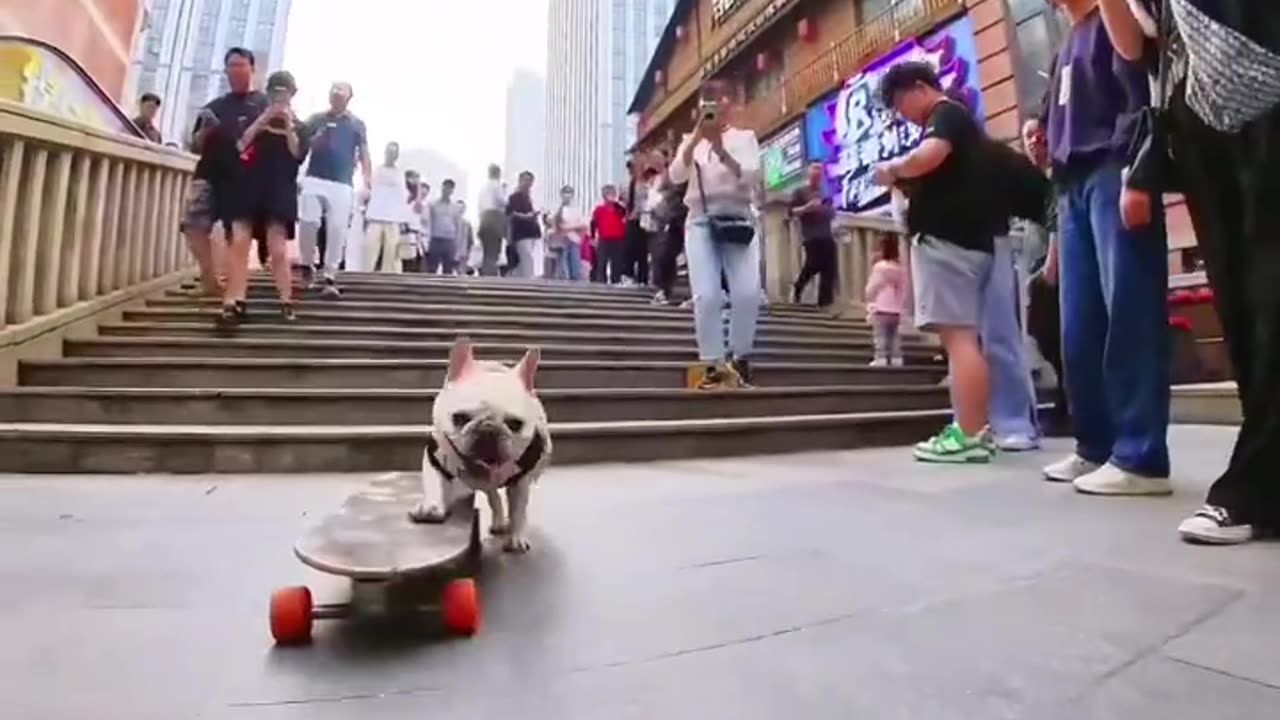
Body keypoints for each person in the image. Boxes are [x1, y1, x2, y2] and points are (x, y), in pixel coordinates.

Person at [1097, 0, 1280, 542]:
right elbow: (1136, 47)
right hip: (1200, 122)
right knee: (1242, 309)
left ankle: (1251, 487)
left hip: (1264, 82)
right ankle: (1266, 486)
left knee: (1271, 293)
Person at [1038, 0, 1171, 494]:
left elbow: (1141, 88)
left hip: (1113, 168)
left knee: (1130, 311)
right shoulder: (1067, 43)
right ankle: (1094, 445)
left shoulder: (1116, 15)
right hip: (1070, 185)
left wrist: (1138, 174)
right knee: (1079, 326)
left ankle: (1141, 454)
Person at [872, 61, 997, 463]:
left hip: (949, 242)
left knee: (958, 339)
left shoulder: (946, 115)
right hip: (967, 240)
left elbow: (930, 155)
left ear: (918, 88)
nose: (900, 114)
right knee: (963, 338)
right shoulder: (956, 120)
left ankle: (970, 433)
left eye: (898, 102)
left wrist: (893, 170)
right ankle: (973, 427)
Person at [667, 79, 762, 389]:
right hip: (701, 221)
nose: (718, 106)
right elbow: (675, 175)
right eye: (711, 101)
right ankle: (713, 362)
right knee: (706, 296)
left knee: (747, 293)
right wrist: (696, 139)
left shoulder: (745, 138)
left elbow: (751, 175)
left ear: (732, 105)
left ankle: (740, 356)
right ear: (701, 108)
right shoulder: (690, 141)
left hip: (739, 218)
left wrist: (721, 151)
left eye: (723, 99)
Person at [218, 68, 309, 323]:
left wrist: (288, 124)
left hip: (279, 188)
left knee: (278, 248)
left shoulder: (300, 126)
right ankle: (233, 301)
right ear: (268, 93)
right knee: (239, 243)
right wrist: (264, 119)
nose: (280, 97)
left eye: (285, 92)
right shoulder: (252, 117)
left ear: (292, 95)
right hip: (248, 184)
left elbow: (297, 154)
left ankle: (286, 300)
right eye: (276, 92)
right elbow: (240, 144)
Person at [297, 82, 371, 297]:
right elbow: (300, 144)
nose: (337, 93)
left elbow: (365, 153)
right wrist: (313, 142)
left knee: (337, 228)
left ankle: (330, 274)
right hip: (314, 178)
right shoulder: (316, 119)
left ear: (349, 96)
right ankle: (306, 265)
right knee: (308, 221)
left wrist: (367, 181)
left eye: (342, 90)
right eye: (334, 89)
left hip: (342, 183)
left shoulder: (356, 124)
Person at [789, 162, 838, 308]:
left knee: (829, 268)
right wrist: (807, 208)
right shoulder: (800, 191)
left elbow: (832, 212)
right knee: (812, 264)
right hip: (811, 235)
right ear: (808, 174)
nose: (817, 177)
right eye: (814, 174)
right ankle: (798, 286)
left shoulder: (825, 192)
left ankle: (825, 302)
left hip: (826, 233)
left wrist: (827, 210)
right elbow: (791, 212)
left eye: (820, 175)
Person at [363, 141, 406, 273]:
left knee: (392, 252)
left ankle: (390, 277)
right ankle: (365, 274)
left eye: (394, 153)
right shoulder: (376, 170)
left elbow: (401, 197)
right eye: (389, 152)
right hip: (375, 215)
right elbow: (367, 190)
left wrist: (403, 219)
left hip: (393, 218)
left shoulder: (399, 173)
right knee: (370, 249)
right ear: (385, 153)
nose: (391, 155)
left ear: (397, 155)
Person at [864, 235, 906, 367]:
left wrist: (868, 296)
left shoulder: (880, 267)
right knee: (894, 335)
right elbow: (903, 289)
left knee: (880, 335)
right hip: (895, 309)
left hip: (881, 307)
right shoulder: (900, 269)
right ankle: (896, 357)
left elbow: (873, 286)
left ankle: (881, 357)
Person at [621, 159, 654, 286]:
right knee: (629, 248)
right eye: (629, 169)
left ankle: (642, 278)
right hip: (631, 220)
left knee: (642, 250)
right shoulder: (625, 185)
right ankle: (628, 275)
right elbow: (623, 201)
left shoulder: (647, 184)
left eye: (633, 168)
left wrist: (638, 211)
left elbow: (649, 201)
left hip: (644, 219)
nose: (631, 171)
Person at [505, 171, 541, 279]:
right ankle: (528, 280)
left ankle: (520, 280)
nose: (528, 183)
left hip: (532, 232)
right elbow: (511, 214)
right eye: (525, 180)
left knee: (525, 258)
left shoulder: (530, 198)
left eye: (530, 181)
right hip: (521, 233)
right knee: (526, 256)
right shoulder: (514, 197)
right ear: (520, 181)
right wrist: (527, 216)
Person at [590, 184, 628, 284]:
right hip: (604, 238)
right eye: (608, 194)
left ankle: (616, 280)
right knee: (602, 261)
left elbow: (624, 214)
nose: (610, 196)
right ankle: (601, 281)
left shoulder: (618, 208)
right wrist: (593, 237)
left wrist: (618, 204)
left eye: (612, 193)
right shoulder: (599, 209)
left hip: (618, 238)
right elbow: (593, 223)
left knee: (617, 262)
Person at [550, 185, 588, 281]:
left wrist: (569, 228)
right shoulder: (556, 207)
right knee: (562, 265)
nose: (567, 195)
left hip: (574, 239)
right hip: (562, 240)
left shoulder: (577, 209)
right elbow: (554, 222)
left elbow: (583, 225)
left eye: (569, 193)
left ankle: (575, 283)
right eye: (565, 193)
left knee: (575, 264)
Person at [425, 179, 463, 274]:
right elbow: (428, 223)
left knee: (448, 270)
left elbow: (458, 226)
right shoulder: (433, 205)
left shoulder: (456, 207)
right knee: (432, 269)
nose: (446, 190)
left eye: (449, 188)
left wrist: (457, 247)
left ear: (452, 191)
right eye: (445, 187)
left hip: (449, 241)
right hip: (435, 240)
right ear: (442, 188)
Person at [476, 164, 507, 276]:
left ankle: (485, 274)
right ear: (498, 173)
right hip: (494, 218)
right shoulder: (496, 185)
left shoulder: (483, 188)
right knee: (494, 251)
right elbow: (501, 201)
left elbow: (479, 207)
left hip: (484, 219)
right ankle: (490, 275)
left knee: (486, 251)